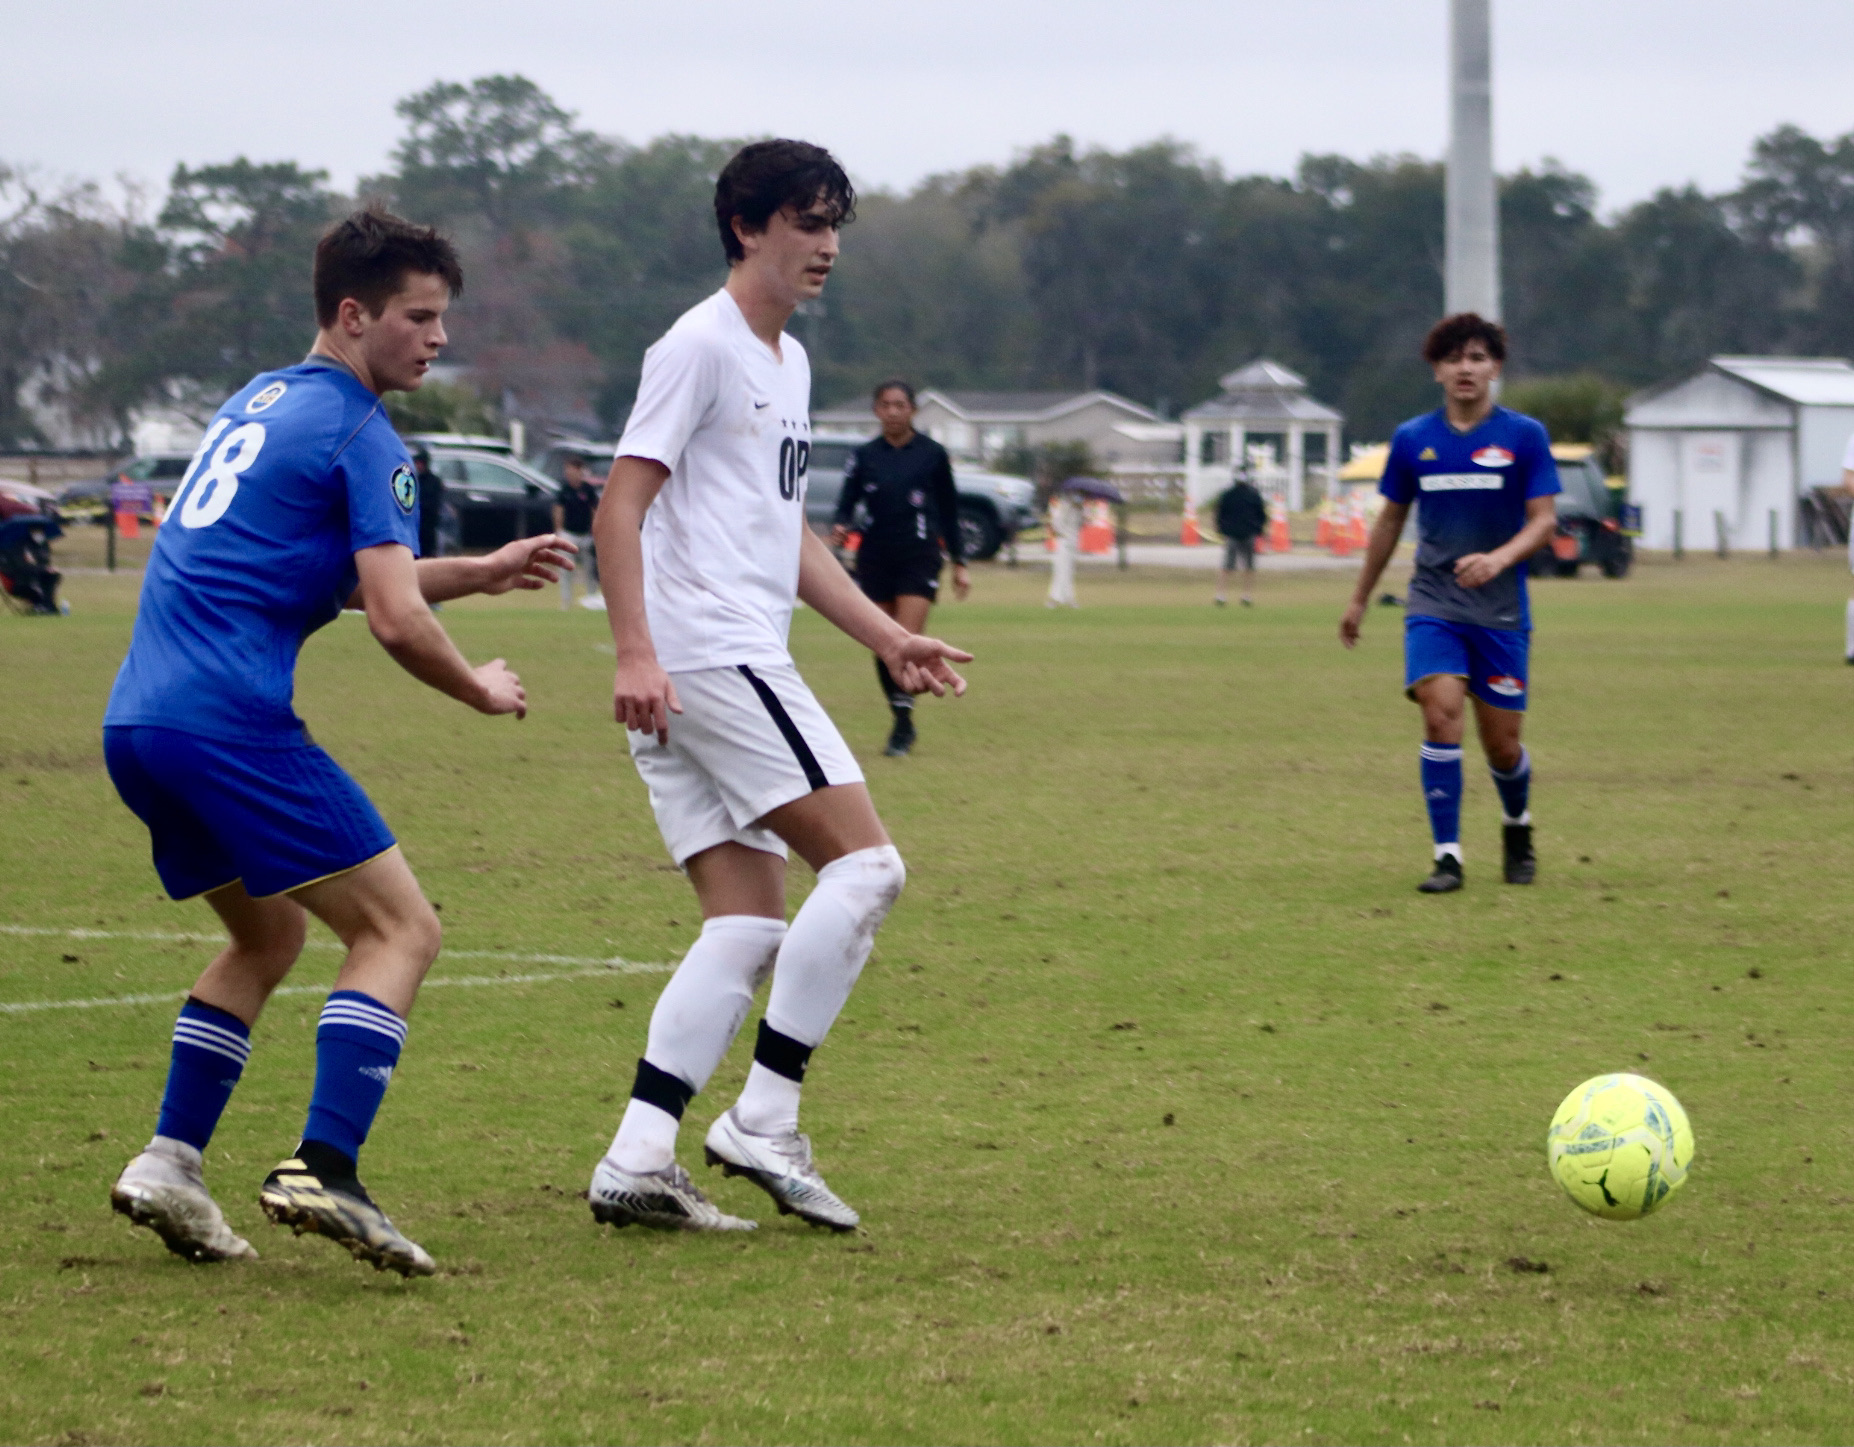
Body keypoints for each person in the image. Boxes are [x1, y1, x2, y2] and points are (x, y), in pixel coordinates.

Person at [102, 209, 575, 1275]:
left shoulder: (258, 403)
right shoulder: (366, 434)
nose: (437, 338)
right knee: (403, 930)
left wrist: (485, 568)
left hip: (140, 723)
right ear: (354, 315)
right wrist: (477, 688)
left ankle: (169, 1162)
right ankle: (326, 1164)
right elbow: (398, 620)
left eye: (443, 317)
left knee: (266, 939)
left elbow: (339, 578)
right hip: (230, 724)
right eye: (419, 316)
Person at [587, 139, 971, 1234]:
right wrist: (633, 652)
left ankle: (638, 1155)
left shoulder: (787, 363)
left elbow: (784, 531)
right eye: (808, 222)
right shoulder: (698, 346)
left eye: (836, 223)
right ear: (748, 228)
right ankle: (765, 1115)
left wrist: (884, 638)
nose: (829, 245)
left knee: (746, 925)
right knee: (869, 868)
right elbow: (619, 506)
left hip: (702, 660)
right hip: (706, 656)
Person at [1339, 313, 1560, 894]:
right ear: (1437, 370)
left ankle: (1517, 825)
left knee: (1502, 745)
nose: (1467, 368)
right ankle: (1448, 856)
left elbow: (1544, 522)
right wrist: (1360, 598)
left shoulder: (1524, 436)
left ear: (1496, 368)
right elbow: (1390, 520)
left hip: (1501, 609)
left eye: (1478, 357)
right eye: (1455, 358)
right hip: (1433, 602)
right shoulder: (1414, 439)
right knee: (1440, 715)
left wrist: (1498, 558)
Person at [831, 380, 969, 755]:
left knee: (906, 637)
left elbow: (949, 510)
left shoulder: (932, 454)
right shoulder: (864, 456)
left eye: (900, 405)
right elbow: (846, 503)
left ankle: (904, 724)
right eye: (886, 405)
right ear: (876, 410)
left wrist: (959, 562)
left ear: (913, 410)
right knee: (883, 642)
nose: (893, 411)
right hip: (875, 556)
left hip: (919, 555)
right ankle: (900, 712)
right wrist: (841, 526)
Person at [1214, 468, 1267, 606]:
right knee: (1231, 566)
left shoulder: (1246, 495)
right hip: (1237, 534)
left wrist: (1222, 529)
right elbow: (1221, 514)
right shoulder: (1234, 495)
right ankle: (1224, 595)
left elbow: (1261, 514)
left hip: (1244, 534)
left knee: (1245, 566)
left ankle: (1243, 595)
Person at [553, 454, 601, 608]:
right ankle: (566, 602)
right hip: (569, 534)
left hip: (585, 535)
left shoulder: (588, 490)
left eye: (572, 470)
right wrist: (558, 531)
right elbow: (558, 510)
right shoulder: (564, 489)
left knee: (589, 568)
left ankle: (591, 598)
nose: (568, 473)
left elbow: (595, 510)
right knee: (566, 569)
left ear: (580, 471)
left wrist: (595, 530)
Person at [1046, 487, 1080, 608]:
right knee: (1060, 570)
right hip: (1064, 542)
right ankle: (1054, 599)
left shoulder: (1079, 509)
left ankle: (1069, 598)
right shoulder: (1065, 507)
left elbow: (1080, 524)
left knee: (1069, 571)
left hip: (1073, 543)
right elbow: (1056, 523)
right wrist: (1061, 534)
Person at [413, 445, 444, 560]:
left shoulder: (434, 481)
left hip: (429, 524)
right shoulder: (415, 479)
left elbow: (435, 502)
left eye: (420, 463)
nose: (418, 466)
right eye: (417, 463)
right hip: (417, 524)